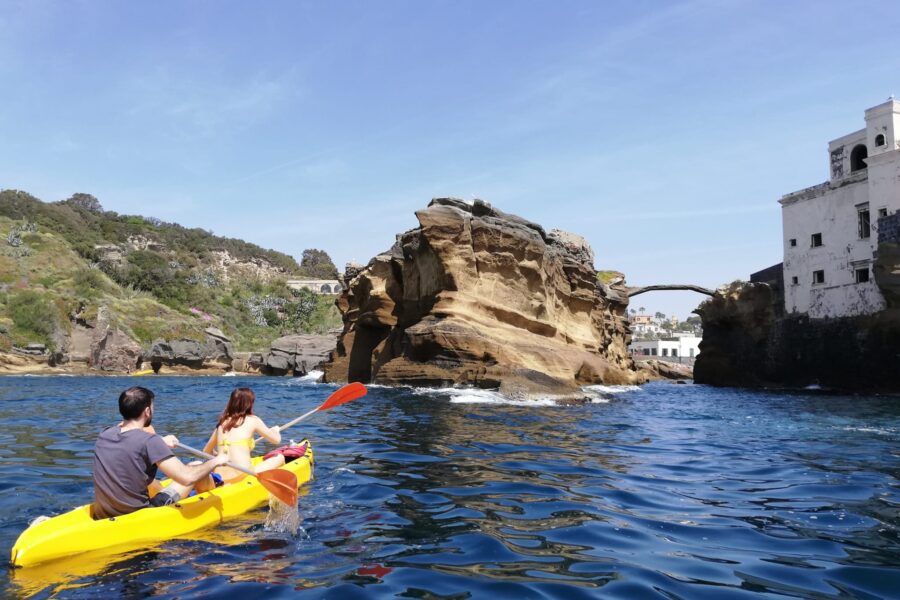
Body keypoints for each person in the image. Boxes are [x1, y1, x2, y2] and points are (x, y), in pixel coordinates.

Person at [92, 386, 228, 520]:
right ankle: (215, 495)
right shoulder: (150, 441)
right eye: (152, 408)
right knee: (195, 466)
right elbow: (187, 477)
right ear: (147, 411)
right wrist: (216, 460)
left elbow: (129, 439)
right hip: (138, 516)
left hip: (103, 514)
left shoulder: (105, 434)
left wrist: (161, 442)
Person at [202, 387, 284, 482]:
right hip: (242, 473)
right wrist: (275, 430)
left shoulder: (222, 423)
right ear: (249, 404)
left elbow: (206, 451)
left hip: (220, 475)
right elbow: (276, 440)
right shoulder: (253, 420)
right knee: (280, 457)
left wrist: (218, 454)